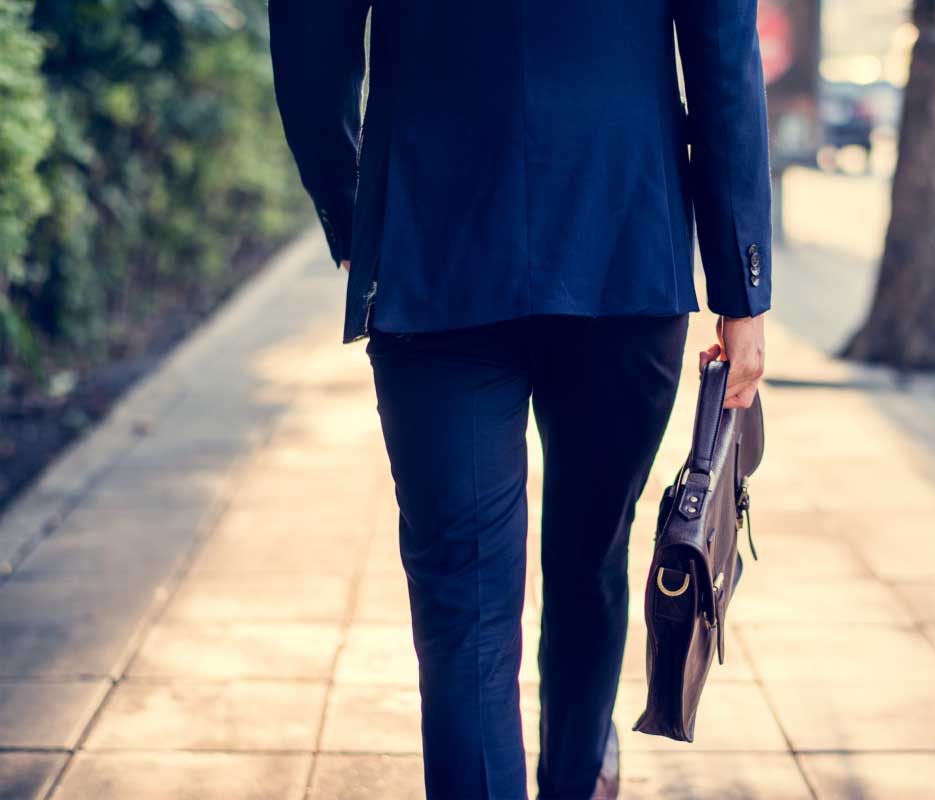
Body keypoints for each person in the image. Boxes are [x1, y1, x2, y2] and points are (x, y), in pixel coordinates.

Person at [268, 1, 770, 797]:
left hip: (433, 238)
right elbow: (722, 51)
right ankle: (578, 776)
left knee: (463, 600)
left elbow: (308, 35)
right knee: (589, 554)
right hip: (623, 231)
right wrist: (742, 289)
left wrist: (353, 206)